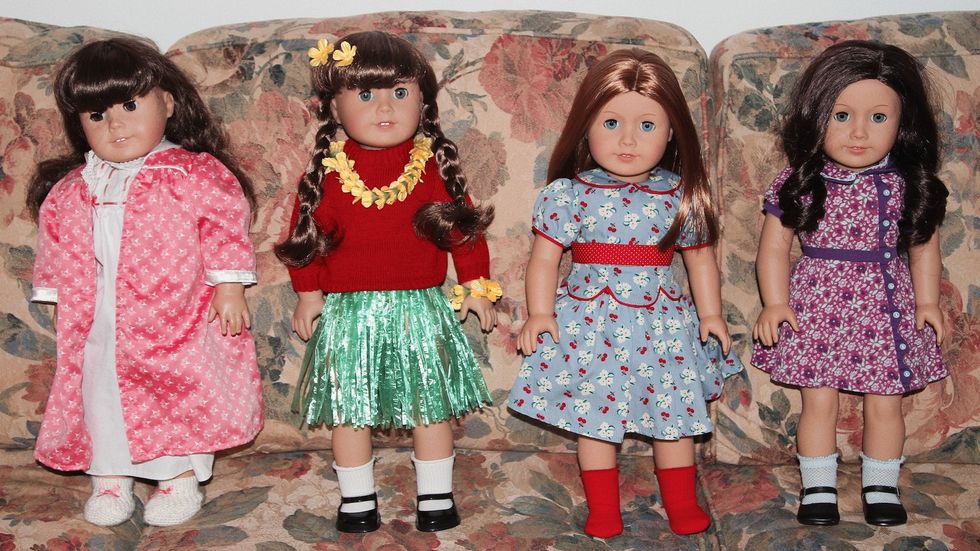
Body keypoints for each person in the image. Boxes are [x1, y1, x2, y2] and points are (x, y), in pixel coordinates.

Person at [27, 38, 264, 527]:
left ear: (168, 103)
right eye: (96, 115)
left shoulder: (192, 173)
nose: (115, 125)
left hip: (174, 317)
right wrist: (59, 300)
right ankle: (110, 477)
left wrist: (229, 285)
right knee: (100, 393)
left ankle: (176, 478)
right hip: (99, 318)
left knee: (175, 390)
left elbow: (224, 224)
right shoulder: (73, 188)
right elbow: (54, 245)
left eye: (130, 106)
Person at [508, 48, 743, 538]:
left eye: (647, 125)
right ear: (586, 127)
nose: (628, 140)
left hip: (662, 323)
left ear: (672, 132)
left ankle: (681, 502)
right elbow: (545, 259)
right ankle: (603, 508)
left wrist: (712, 315)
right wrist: (539, 313)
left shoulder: (681, 194)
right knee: (594, 418)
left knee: (675, 415)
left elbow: (700, 260)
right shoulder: (569, 193)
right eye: (611, 123)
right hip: (590, 323)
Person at [275, 31, 499, 534]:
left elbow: (462, 232)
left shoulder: (432, 167)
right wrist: (308, 293)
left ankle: (436, 495)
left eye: (400, 92)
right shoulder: (328, 174)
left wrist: (475, 284)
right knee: (349, 409)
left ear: (423, 102)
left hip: (421, 310)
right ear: (335, 107)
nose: (384, 107)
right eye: (365, 94)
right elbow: (305, 237)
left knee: (429, 405)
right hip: (349, 315)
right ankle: (357, 498)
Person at [752, 40, 948, 527]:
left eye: (878, 118)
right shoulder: (801, 181)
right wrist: (775, 302)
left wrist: (928, 302)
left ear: (903, 123)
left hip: (885, 307)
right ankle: (818, 486)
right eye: (841, 116)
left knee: (886, 404)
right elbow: (774, 249)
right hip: (817, 306)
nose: (859, 132)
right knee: (818, 400)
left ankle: (881, 485)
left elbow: (923, 246)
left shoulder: (907, 183)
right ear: (815, 116)